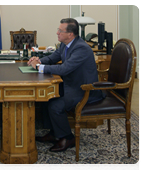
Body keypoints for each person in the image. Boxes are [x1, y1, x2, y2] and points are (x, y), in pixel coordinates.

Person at [28, 18, 105, 152]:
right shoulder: (64, 44)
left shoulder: (81, 48)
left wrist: (40, 67)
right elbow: (53, 58)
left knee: (55, 105)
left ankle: (67, 137)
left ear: (70, 34)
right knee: (47, 97)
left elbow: (64, 69)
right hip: (71, 85)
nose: (57, 33)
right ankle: (55, 133)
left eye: (60, 31)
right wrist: (38, 60)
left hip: (84, 90)